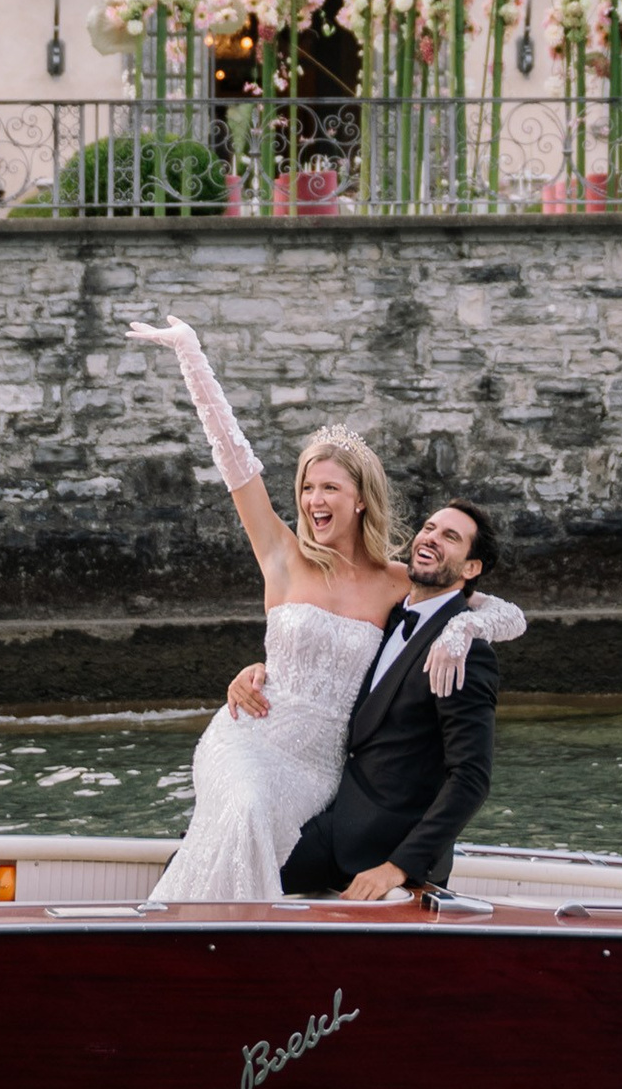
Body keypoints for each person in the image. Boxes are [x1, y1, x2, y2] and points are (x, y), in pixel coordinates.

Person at [128, 316, 523, 905]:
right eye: (308, 487)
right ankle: (193, 936)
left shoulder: (398, 582)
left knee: (257, 835)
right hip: (251, 736)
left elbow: (503, 611)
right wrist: (191, 355)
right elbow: (234, 461)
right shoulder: (283, 557)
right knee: (246, 808)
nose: (315, 499)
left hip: (319, 772)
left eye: (330, 488)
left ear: (360, 499)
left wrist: (463, 628)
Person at [234, 499, 510, 900]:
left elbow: (471, 777)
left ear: (471, 569)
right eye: (429, 528)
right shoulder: (389, 613)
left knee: (230, 873)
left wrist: (398, 867)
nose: (431, 538)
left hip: (380, 853)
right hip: (332, 817)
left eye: (450, 537)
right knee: (214, 858)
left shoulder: (461, 649)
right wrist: (260, 670)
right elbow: (326, 668)